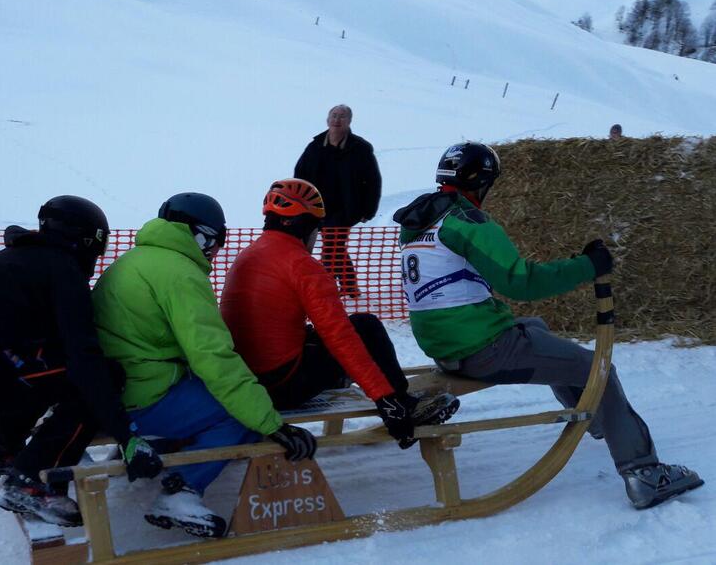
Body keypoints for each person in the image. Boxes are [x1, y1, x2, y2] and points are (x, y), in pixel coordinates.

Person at [392, 142, 703, 509]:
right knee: (597, 368)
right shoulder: (467, 222)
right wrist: (588, 266)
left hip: (448, 347)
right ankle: (644, 474)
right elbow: (521, 282)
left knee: (534, 327)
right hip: (482, 349)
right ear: (481, 183)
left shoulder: (421, 223)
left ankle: (594, 415)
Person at [0, 196, 163, 527]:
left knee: (45, 372)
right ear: (87, 240)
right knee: (99, 378)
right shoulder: (61, 269)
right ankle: (34, 480)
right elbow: (84, 361)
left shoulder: (27, 259)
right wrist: (127, 436)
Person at [92, 192, 317, 539]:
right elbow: (213, 356)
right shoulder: (181, 274)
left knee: (216, 397)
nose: (215, 252)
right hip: (142, 394)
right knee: (239, 415)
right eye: (216, 242)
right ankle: (181, 492)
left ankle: (158, 443)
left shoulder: (136, 259)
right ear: (201, 236)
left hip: (115, 388)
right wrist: (271, 422)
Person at [221, 178, 459, 448]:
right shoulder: (301, 265)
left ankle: (353, 381)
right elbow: (340, 336)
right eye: (317, 229)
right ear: (305, 225)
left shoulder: (247, 256)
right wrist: (385, 400)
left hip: (248, 383)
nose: (318, 237)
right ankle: (403, 405)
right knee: (364, 326)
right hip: (281, 388)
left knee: (323, 336)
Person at [294, 104, 382, 298]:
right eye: (333, 115)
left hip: (346, 209)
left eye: (342, 116)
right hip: (315, 207)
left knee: (332, 245)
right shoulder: (315, 146)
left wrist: (369, 210)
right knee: (335, 247)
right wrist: (298, 201)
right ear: (327, 119)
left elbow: (373, 182)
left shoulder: (360, 148)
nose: (336, 119)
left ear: (349, 121)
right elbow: (300, 174)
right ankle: (349, 286)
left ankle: (326, 287)